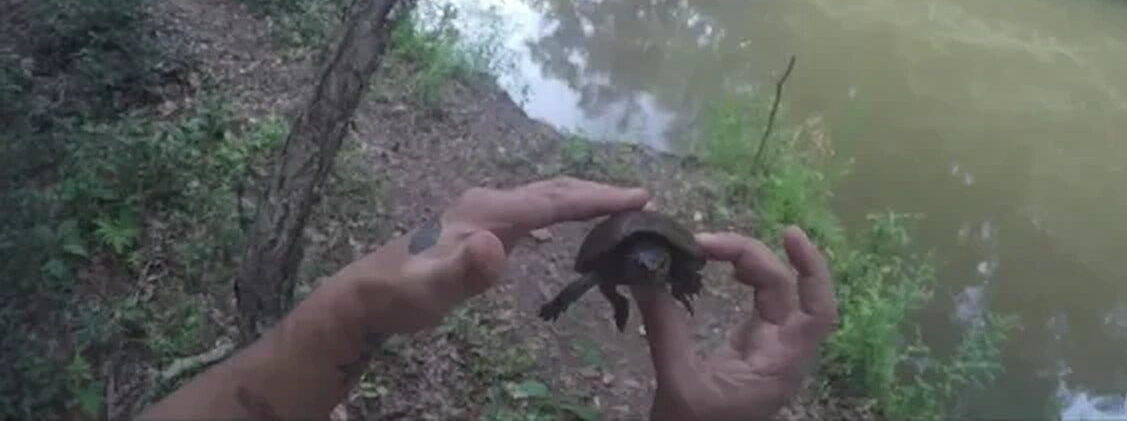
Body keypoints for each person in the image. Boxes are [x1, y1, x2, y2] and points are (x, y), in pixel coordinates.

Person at [140, 177, 838, 420]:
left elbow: (670, 260)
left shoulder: (665, 258)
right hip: (609, 257)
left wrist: (346, 310)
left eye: (662, 263)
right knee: (602, 287)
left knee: (646, 278)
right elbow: (607, 263)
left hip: (636, 251)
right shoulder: (619, 260)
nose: (654, 267)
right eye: (651, 262)